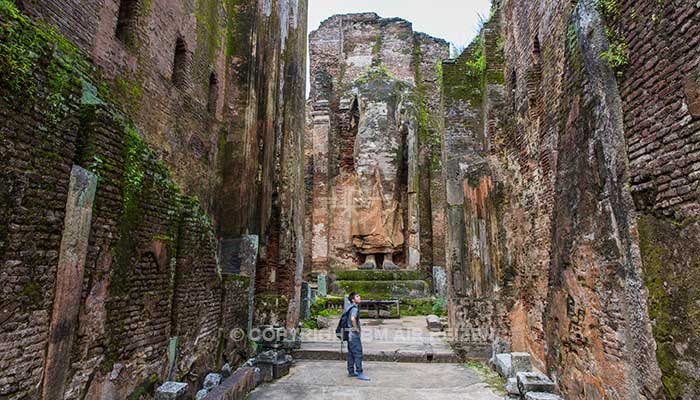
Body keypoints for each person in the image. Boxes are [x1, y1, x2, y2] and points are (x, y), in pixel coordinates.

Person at [345, 292, 369, 380]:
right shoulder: (354, 308)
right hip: (353, 334)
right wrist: (356, 329)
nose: (359, 297)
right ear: (353, 299)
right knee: (358, 353)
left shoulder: (349, 307)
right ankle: (360, 372)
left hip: (348, 333)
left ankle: (351, 371)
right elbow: (352, 319)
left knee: (351, 353)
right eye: (357, 296)